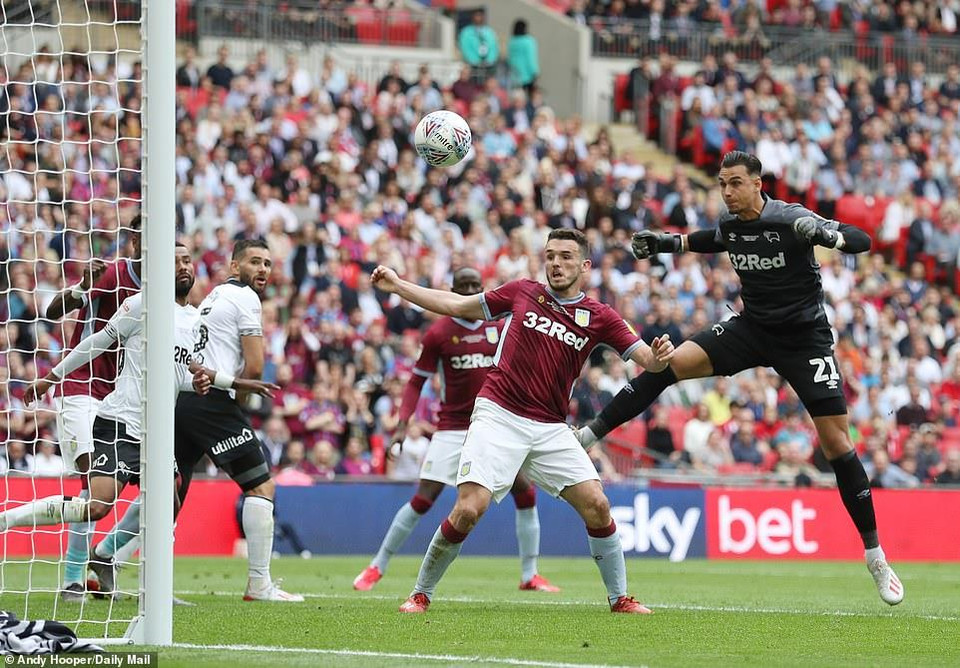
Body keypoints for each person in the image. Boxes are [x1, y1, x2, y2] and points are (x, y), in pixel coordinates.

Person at [578, 151, 904, 606]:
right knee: (667, 365)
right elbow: (713, 240)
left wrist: (824, 232)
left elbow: (862, 239)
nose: (727, 191)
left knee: (837, 446)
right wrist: (667, 243)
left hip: (804, 339)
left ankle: (875, 556)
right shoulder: (733, 224)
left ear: (757, 183)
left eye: (734, 183)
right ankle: (589, 434)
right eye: (721, 183)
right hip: (751, 329)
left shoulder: (791, 217)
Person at [370, 228, 675, 614]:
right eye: (550, 255)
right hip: (498, 415)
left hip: (549, 426)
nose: (556, 263)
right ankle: (420, 593)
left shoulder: (599, 316)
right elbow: (456, 306)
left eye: (565, 256)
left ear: (584, 265)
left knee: (597, 504)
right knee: (468, 509)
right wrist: (400, 286)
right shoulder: (523, 291)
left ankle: (619, 599)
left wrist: (660, 358)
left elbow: (647, 360)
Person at [3, 245, 277, 601]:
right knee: (97, 505)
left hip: (156, 433)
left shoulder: (196, 322)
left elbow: (192, 374)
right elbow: (95, 343)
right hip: (118, 422)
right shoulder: (139, 305)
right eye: (174, 259)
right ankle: (8, 520)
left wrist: (231, 383)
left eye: (187, 260)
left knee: (169, 501)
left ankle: (141, 581)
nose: (183, 266)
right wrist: (50, 378)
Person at [353, 268, 559, 594]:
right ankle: (376, 566)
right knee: (424, 499)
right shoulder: (439, 332)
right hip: (453, 427)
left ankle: (529, 574)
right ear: (451, 289)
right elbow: (416, 381)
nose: (468, 291)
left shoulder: (501, 328)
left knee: (525, 492)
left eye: (474, 286)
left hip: (495, 425)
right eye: (462, 287)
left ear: (482, 289)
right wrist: (402, 424)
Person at [174, 239, 303, 602]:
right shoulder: (246, 298)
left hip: (185, 400)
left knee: (170, 496)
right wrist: (241, 403)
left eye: (267, 264)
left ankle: (107, 556)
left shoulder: (214, 297)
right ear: (234, 267)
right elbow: (257, 365)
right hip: (213, 402)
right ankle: (259, 584)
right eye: (254, 262)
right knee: (262, 488)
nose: (263, 269)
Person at [43, 215, 142, 602]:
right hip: (80, 385)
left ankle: (107, 556)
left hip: (122, 398)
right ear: (132, 240)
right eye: (141, 235)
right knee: (91, 482)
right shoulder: (113, 273)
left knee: (165, 488)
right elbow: (54, 311)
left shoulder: (167, 288)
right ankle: (71, 579)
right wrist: (81, 287)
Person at [507, 20, 539, 94]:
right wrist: (535, 72)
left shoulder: (512, 41)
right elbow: (531, 58)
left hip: (513, 75)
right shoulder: (528, 41)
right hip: (527, 76)